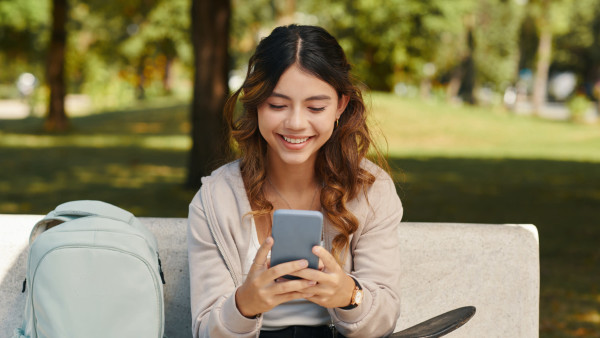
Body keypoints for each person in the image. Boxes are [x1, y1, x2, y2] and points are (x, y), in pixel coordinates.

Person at [187, 24, 403, 338]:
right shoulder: (215, 199)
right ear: (255, 102)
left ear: (340, 105)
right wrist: (244, 304)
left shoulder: (372, 190)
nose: (296, 123)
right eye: (277, 105)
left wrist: (349, 294)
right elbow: (205, 330)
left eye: (316, 107)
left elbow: (383, 319)